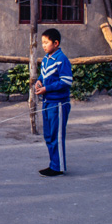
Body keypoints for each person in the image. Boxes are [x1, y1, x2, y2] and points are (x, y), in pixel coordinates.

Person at [35, 28, 72, 177]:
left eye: (46, 42)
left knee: (57, 136)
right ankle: (53, 164)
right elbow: (44, 76)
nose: (43, 45)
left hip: (59, 104)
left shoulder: (62, 59)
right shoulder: (46, 59)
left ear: (55, 43)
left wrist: (47, 88)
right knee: (49, 135)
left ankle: (58, 167)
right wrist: (39, 82)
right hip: (47, 103)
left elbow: (66, 81)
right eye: (42, 43)